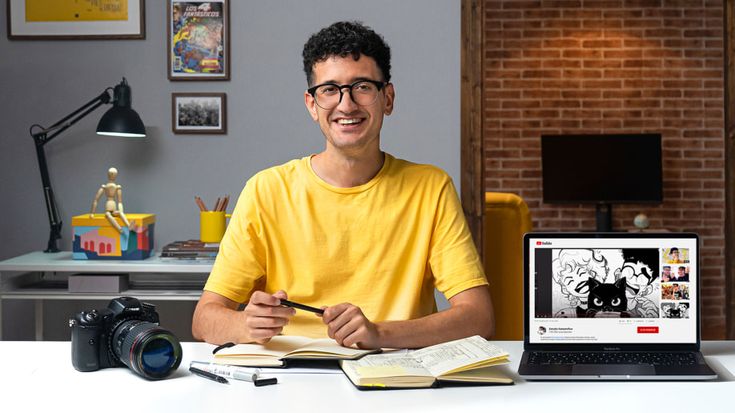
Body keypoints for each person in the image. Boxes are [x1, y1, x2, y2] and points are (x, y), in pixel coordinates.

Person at [191, 21, 494, 349]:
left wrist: (379, 333)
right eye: (330, 90)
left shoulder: (430, 188)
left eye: (362, 86)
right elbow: (203, 319)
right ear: (312, 104)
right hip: (291, 380)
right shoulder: (265, 190)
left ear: (387, 98)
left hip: (395, 375)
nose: (346, 105)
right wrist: (245, 325)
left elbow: (479, 317)